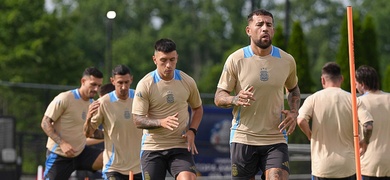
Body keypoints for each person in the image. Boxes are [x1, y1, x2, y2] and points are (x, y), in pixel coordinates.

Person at [214, 9, 300, 180]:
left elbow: (294, 90)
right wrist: (235, 99)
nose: (265, 28)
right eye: (259, 24)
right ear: (248, 30)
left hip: (276, 137)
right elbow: (219, 96)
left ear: (273, 30)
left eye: (269, 25)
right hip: (243, 137)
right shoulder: (236, 59)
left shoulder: (287, 60)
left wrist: (294, 111)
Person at [132, 38, 203, 180]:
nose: (169, 65)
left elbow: (198, 108)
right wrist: (160, 122)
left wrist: (192, 131)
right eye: (163, 60)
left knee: (188, 178)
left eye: (172, 59)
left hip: (180, 146)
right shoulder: (145, 84)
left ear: (177, 58)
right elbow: (137, 120)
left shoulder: (187, 81)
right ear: (155, 59)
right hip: (153, 148)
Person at [297, 62, 373, 180]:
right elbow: (368, 125)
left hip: (321, 167)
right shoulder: (353, 99)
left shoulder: (313, 99)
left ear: (323, 80)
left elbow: (301, 120)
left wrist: (310, 135)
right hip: (347, 167)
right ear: (341, 79)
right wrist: (365, 142)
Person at [41, 67, 104, 180]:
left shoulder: (93, 104)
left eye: (99, 86)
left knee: (110, 159)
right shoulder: (65, 98)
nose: (96, 89)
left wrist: (113, 133)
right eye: (93, 84)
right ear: (83, 81)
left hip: (80, 152)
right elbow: (45, 123)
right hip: (59, 155)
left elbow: (90, 132)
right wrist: (62, 143)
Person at [84, 65, 143, 180]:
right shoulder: (103, 103)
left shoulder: (140, 98)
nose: (124, 87)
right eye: (120, 82)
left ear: (131, 79)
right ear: (112, 81)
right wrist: (88, 118)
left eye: (126, 82)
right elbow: (88, 133)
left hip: (138, 167)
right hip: (114, 168)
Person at [355, 65, 389, 180]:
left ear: (362, 84)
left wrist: (365, 141)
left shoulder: (359, 102)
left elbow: (367, 126)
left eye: (356, 84)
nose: (355, 87)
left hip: (369, 163)